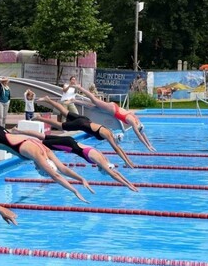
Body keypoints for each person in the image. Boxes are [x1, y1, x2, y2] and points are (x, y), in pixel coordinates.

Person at [10, 128, 138, 192]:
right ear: (104, 168)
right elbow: (113, 174)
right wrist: (128, 185)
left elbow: (115, 172)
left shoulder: (104, 159)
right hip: (68, 146)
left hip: (70, 143)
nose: (101, 171)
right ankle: (17, 133)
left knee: (43, 138)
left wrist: (130, 183)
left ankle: (18, 131)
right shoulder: (100, 161)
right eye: (102, 171)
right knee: (40, 142)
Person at [33, 96, 135, 167]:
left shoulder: (109, 131)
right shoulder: (107, 135)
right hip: (81, 124)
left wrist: (128, 160)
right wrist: (126, 161)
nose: (115, 143)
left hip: (85, 120)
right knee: (60, 125)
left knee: (65, 112)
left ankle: (48, 100)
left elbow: (119, 148)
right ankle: (40, 118)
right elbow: (117, 149)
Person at [73, 77, 156, 152]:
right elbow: (139, 136)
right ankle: (79, 87)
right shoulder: (133, 122)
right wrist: (147, 147)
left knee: (94, 107)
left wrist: (150, 145)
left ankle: (75, 101)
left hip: (114, 108)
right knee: (94, 100)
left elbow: (142, 133)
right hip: (113, 109)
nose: (137, 130)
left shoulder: (137, 121)